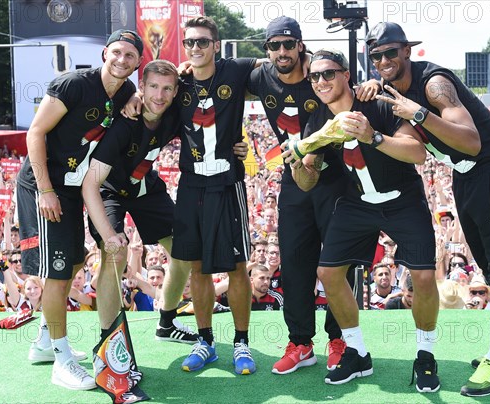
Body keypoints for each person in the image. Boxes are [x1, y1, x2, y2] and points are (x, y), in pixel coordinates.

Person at [368, 22, 490, 396]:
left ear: (408, 51)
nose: (384, 60)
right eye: (376, 55)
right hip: (465, 174)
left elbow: (472, 142)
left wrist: (420, 113)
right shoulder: (392, 88)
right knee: (488, 262)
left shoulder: (433, 84)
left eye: (391, 51)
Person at [283, 49, 439, 391]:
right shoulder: (317, 121)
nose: (321, 81)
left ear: (346, 75)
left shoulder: (378, 103)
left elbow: (418, 153)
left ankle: (425, 356)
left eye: (328, 74)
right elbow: (308, 182)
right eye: (315, 76)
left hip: (403, 199)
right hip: (357, 203)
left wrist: (373, 137)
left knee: (424, 276)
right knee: (328, 272)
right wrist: (299, 165)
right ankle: (356, 351)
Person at [16, 29, 143, 390]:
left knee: (73, 263)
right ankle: (61, 359)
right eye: (116, 52)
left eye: (130, 56)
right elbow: (35, 133)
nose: (122, 60)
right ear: (105, 53)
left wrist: (134, 97)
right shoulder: (73, 83)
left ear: (137, 63)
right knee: (57, 274)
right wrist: (44, 189)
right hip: (45, 186)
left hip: (73, 188)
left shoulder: (126, 93)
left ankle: (44, 340)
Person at [247, 16, 352, 375]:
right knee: (294, 263)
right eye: (273, 45)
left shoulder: (319, 75)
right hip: (294, 179)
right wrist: (186, 66)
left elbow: (351, 85)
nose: (281, 51)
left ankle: (341, 341)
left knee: (338, 264)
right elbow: (218, 75)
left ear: (300, 46)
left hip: (336, 179)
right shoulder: (260, 76)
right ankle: (301, 342)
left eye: (287, 44)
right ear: (267, 50)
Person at [82, 59, 200, 344]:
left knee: (185, 252)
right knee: (115, 255)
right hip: (109, 190)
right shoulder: (125, 124)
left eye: (167, 89)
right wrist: (110, 235)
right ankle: (109, 340)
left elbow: (210, 75)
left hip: (145, 187)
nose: (159, 96)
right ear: (142, 87)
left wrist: (187, 65)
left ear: (175, 92)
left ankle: (167, 323)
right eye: (153, 87)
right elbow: (92, 183)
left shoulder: (173, 112)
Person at [170, 16, 258, 375]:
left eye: (203, 42)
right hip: (191, 185)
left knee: (237, 266)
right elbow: (148, 94)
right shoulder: (178, 82)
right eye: (190, 42)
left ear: (216, 45)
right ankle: (205, 341)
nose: (195, 48)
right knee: (196, 267)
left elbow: (278, 67)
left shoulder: (234, 71)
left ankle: (241, 343)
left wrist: (309, 55)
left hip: (228, 182)